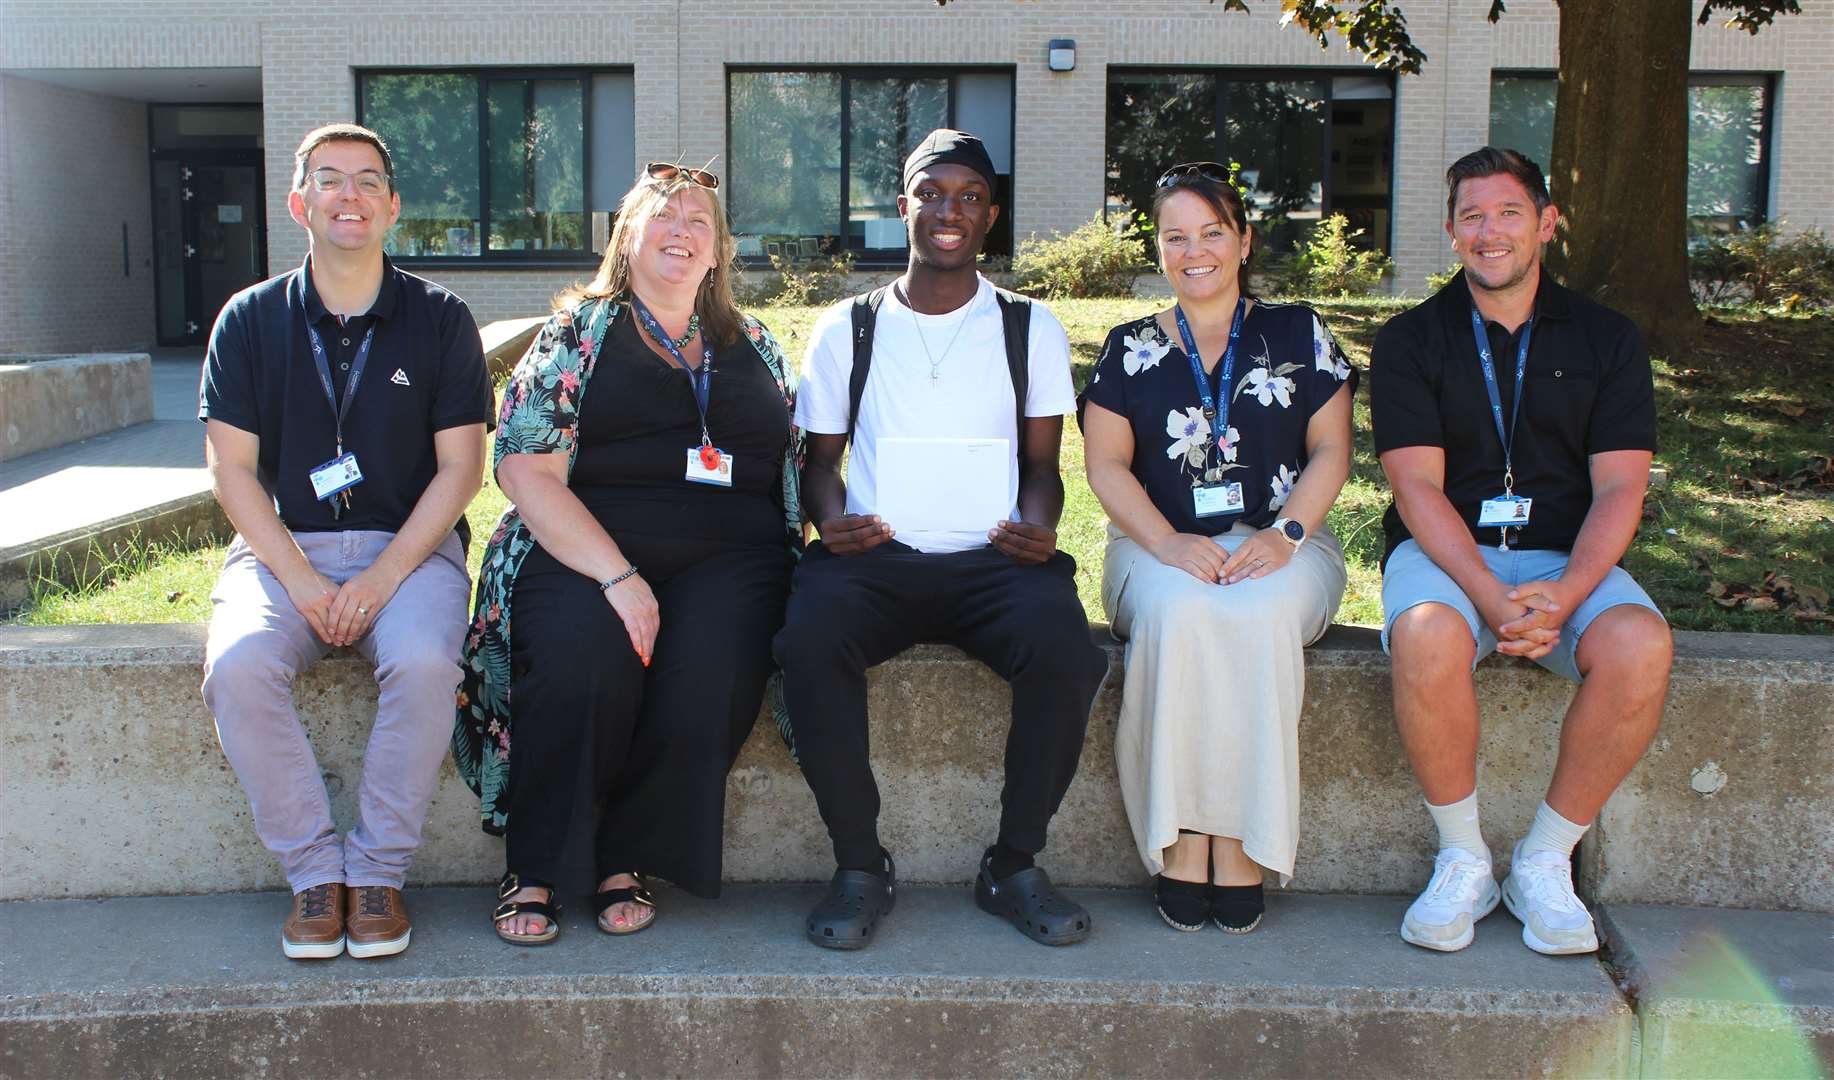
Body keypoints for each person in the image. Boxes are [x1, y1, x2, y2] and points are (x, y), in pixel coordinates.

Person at [774, 129, 1110, 950]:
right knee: (808, 636)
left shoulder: (1028, 327)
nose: (947, 211)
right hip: (873, 558)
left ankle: (1013, 864)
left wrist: (1038, 526)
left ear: (990, 215)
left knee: (1065, 646)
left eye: (967, 196)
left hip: (994, 560)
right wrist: (831, 519)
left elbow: (1043, 465)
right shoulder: (848, 327)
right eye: (930, 193)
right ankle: (860, 866)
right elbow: (819, 465)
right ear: (903, 208)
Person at [454, 162, 804, 945]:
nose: (681, 232)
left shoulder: (755, 342)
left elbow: (796, 465)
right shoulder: (578, 332)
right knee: (582, 655)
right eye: (664, 217)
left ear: (718, 251)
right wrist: (617, 576)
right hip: (587, 546)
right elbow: (523, 467)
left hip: (733, 557)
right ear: (629, 236)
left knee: (711, 666)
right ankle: (537, 862)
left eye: (698, 222)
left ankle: (627, 853)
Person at [198, 122, 491, 959]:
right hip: (284, 549)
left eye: (368, 180)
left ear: (393, 206)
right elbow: (234, 472)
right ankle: (315, 876)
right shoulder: (248, 320)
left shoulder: (440, 319)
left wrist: (378, 581)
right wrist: (301, 581)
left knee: (429, 663)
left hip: (411, 550)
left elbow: (461, 470)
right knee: (241, 667)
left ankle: (377, 877)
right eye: (330, 180)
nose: (349, 195)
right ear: (300, 203)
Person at [1371, 147, 1673, 956]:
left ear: (1545, 223)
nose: (1489, 231)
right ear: (1451, 230)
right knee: (1430, 630)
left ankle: (1544, 861)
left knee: (1642, 645)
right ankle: (1464, 858)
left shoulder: (1609, 339)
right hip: (1448, 553)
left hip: (1566, 557)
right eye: (1472, 215)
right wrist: (1490, 596)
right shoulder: (1409, 340)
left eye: (1508, 213)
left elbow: (1620, 491)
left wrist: (1569, 592)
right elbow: (1417, 492)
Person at [1082, 162, 1353, 933]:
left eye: (1211, 233)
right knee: (1184, 614)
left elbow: (1333, 450)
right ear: (1159, 250)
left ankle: (1241, 838)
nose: (1193, 250)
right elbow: (1105, 465)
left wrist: (1286, 533)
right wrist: (1167, 544)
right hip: (1153, 545)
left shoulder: (1298, 332)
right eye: (1175, 237)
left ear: (1243, 240)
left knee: (1259, 613)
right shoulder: (1127, 346)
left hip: (1285, 538)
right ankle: (1182, 837)